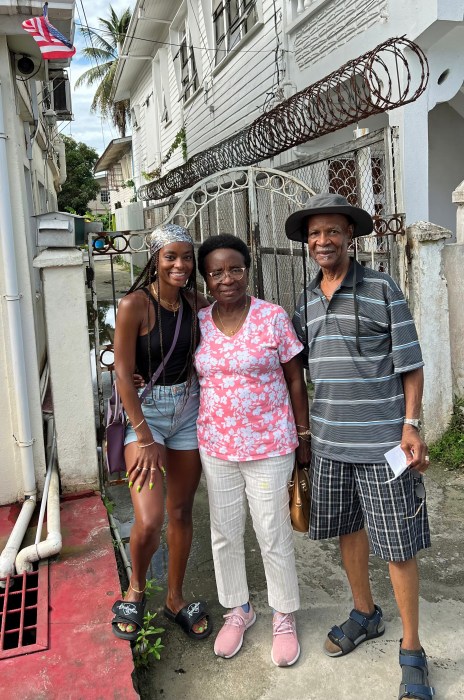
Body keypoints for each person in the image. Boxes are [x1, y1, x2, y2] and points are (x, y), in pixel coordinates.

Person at [285, 193, 434, 699]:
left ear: (350, 236)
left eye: (331, 232)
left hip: (383, 444)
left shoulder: (382, 289)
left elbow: (410, 363)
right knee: (349, 532)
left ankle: (411, 649)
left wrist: (411, 425)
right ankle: (365, 613)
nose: (322, 241)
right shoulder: (305, 299)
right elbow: (296, 373)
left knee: (398, 544)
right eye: (314, 234)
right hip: (330, 445)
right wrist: (303, 437)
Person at [194, 233, 311, 667]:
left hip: (270, 443)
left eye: (235, 269)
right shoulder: (198, 322)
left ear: (248, 270)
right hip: (217, 444)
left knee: (272, 531)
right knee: (224, 531)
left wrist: (303, 437)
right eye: (217, 272)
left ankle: (284, 613)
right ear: (206, 278)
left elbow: (295, 379)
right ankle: (238, 608)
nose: (227, 279)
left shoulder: (272, 317)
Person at [111, 223, 211, 643]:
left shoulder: (197, 303)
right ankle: (135, 589)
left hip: (188, 408)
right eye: (171, 256)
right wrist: (145, 436)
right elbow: (120, 371)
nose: (180, 264)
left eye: (187, 257)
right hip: (146, 414)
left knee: (181, 511)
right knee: (150, 518)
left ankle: (173, 597)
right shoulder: (135, 304)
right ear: (155, 259)